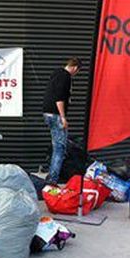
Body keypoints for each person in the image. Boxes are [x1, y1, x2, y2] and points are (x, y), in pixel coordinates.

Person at [42, 57, 82, 186]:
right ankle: (52, 180)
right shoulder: (66, 76)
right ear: (75, 68)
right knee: (60, 149)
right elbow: (59, 98)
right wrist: (63, 117)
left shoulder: (56, 73)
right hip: (56, 115)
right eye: (77, 72)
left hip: (48, 113)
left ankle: (52, 175)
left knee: (57, 146)